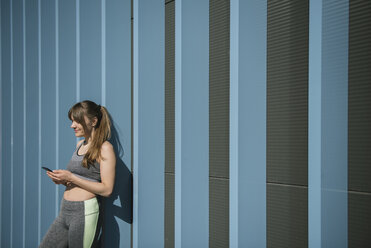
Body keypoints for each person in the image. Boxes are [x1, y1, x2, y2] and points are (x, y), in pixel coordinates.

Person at [39, 100, 116, 248]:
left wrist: (71, 177)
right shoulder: (79, 145)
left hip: (84, 213)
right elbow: (81, 178)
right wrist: (63, 180)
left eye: (77, 121)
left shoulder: (105, 148)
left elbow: (107, 189)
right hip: (65, 210)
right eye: (72, 121)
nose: (72, 125)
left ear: (93, 121)